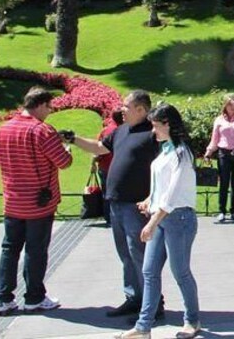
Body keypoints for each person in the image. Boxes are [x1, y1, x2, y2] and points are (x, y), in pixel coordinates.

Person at [65, 90, 163, 319]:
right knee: (126, 254)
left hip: (137, 205)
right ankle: (134, 298)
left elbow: (165, 166)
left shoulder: (153, 134)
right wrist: (74, 139)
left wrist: (153, 198)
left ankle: (153, 303)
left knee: (140, 255)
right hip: (116, 203)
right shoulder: (121, 131)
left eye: (127, 106)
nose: (121, 110)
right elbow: (100, 147)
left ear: (141, 110)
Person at [116, 104, 201, 339]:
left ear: (167, 124)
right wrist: (149, 200)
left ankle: (192, 321)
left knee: (180, 271)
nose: (153, 131)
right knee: (149, 272)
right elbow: (163, 187)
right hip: (163, 216)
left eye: (155, 126)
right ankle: (144, 327)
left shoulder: (182, 153)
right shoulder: (166, 150)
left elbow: (174, 194)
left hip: (179, 219)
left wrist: (152, 221)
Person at [0, 87, 73, 316]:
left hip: (13, 201)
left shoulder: (3, 129)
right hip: (39, 203)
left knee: (9, 249)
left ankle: (4, 298)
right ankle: (34, 297)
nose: (50, 112)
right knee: (35, 251)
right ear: (40, 105)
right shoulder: (42, 131)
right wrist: (66, 147)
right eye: (49, 107)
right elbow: (63, 162)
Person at [204, 94, 234, 223]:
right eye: (230, 104)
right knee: (224, 183)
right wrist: (208, 153)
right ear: (225, 105)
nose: (232, 107)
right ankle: (222, 211)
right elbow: (215, 139)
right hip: (224, 154)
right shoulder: (219, 120)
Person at [96, 108, 124, 225]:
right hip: (119, 167)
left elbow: (97, 148)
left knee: (106, 193)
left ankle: (108, 217)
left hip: (105, 167)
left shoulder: (106, 131)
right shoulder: (124, 131)